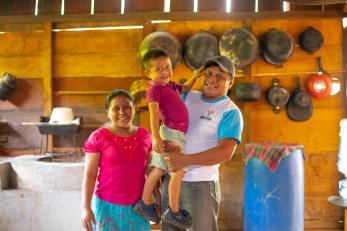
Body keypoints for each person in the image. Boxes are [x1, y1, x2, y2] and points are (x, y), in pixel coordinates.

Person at [162, 55, 244, 231]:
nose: (212, 79)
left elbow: (225, 152)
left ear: (231, 82)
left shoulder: (229, 111)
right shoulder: (187, 97)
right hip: (172, 181)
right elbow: (167, 121)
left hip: (201, 187)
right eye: (209, 74)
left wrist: (185, 160)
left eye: (220, 77)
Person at [133, 49, 202, 229]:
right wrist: (155, 137)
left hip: (172, 134)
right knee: (178, 171)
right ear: (148, 73)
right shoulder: (155, 89)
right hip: (170, 134)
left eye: (167, 67)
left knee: (158, 170)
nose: (164, 72)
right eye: (158, 69)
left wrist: (195, 76)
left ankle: (145, 202)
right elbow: (153, 114)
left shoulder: (169, 86)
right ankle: (173, 210)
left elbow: (185, 87)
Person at [81, 89, 152, 231]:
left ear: (133, 109)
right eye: (115, 108)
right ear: (108, 112)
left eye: (127, 107)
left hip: (138, 208)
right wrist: (86, 207)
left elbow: (151, 173)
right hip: (106, 207)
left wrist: (155, 202)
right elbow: (90, 174)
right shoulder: (98, 137)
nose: (122, 112)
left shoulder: (146, 136)